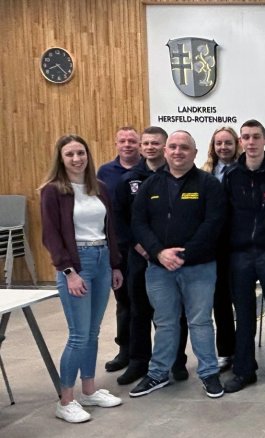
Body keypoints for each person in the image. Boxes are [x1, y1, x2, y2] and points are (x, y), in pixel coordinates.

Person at [129, 130, 226, 399]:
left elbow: (214, 224)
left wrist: (184, 254)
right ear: (165, 151)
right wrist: (159, 253)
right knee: (165, 322)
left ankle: (208, 373)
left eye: (184, 147)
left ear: (194, 153)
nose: (177, 151)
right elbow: (138, 222)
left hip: (199, 267)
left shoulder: (208, 184)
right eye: (172, 147)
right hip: (159, 269)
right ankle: (158, 373)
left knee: (200, 322)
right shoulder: (150, 185)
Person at [40, 134, 124, 423]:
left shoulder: (98, 187)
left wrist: (114, 265)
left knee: (92, 332)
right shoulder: (53, 191)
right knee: (78, 335)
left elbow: (109, 229)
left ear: (88, 156)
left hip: (101, 260)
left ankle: (88, 390)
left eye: (81, 153)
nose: (77, 159)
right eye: (70, 154)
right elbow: (50, 236)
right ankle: (66, 400)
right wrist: (69, 272)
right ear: (60, 159)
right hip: (77, 264)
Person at [112, 126, 190, 385]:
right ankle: (138, 362)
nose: (150, 147)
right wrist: (140, 246)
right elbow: (120, 219)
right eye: (146, 143)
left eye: (156, 143)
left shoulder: (179, 178)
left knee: (173, 312)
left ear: (165, 147)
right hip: (139, 256)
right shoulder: (130, 180)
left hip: (169, 256)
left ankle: (177, 361)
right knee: (138, 310)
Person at [221, 120, 265, 395]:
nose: (251, 142)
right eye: (246, 137)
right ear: (241, 142)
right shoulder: (230, 176)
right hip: (240, 255)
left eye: (256, 137)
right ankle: (244, 371)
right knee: (245, 315)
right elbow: (224, 217)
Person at [96, 126, 141, 373]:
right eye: (122, 140)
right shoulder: (105, 172)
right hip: (118, 247)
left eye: (132, 141)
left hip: (146, 248)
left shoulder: (147, 170)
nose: (127, 145)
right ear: (116, 144)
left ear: (139, 144)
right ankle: (125, 351)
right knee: (124, 302)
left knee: (149, 303)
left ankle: (148, 354)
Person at [201, 126, 241, 373]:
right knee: (220, 301)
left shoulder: (243, 170)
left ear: (236, 145)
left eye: (228, 143)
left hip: (237, 244)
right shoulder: (205, 173)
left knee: (242, 301)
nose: (223, 147)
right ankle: (226, 351)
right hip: (214, 247)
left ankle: (243, 350)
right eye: (219, 143)